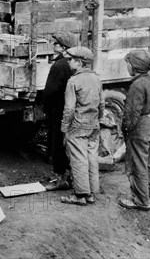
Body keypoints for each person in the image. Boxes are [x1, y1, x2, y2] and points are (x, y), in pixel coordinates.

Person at [119, 50, 150, 210]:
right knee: (148, 161)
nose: (127, 67)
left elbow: (131, 112)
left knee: (137, 163)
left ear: (134, 66)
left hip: (141, 125)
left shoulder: (137, 84)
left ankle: (141, 200)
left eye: (128, 63)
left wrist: (126, 130)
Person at [60, 46, 105, 206]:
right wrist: (98, 120)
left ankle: (80, 195)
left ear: (79, 62)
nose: (68, 62)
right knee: (91, 158)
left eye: (70, 60)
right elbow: (101, 104)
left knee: (78, 159)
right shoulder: (96, 79)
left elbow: (69, 109)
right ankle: (91, 193)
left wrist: (64, 127)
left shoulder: (73, 81)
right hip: (93, 125)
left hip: (78, 126)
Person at [43, 31, 78, 191]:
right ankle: (71, 176)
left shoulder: (59, 65)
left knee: (57, 143)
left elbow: (50, 91)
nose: (53, 45)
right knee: (68, 143)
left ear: (64, 47)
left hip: (59, 109)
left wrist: (46, 109)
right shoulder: (73, 63)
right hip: (72, 109)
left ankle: (60, 178)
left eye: (56, 43)